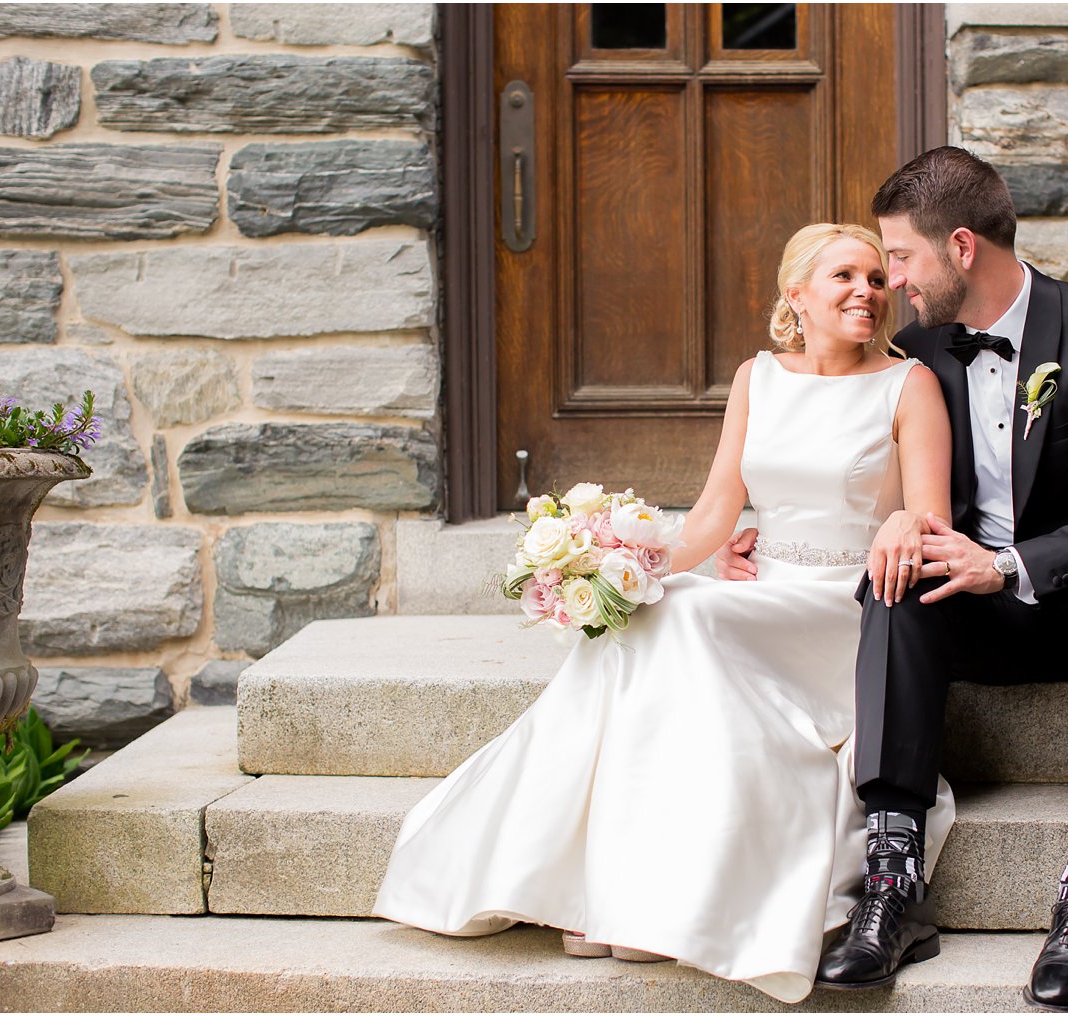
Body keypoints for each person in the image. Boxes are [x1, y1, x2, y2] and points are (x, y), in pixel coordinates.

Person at [719, 148, 1068, 1010]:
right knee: (896, 569)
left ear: (961, 247)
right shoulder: (918, 350)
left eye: (900, 257)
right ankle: (892, 883)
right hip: (978, 612)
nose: (889, 280)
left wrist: (1006, 561)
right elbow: (856, 460)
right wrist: (764, 529)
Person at [373, 223, 960, 1004]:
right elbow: (717, 513)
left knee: (688, 619)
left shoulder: (907, 384)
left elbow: (931, 518)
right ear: (796, 296)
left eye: (876, 279)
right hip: (763, 589)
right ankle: (603, 887)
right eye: (844, 277)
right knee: (652, 612)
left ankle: (642, 901)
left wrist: (905, 523)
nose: (867, 292)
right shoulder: (758, 379)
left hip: (844, 607)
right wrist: (618, 570)